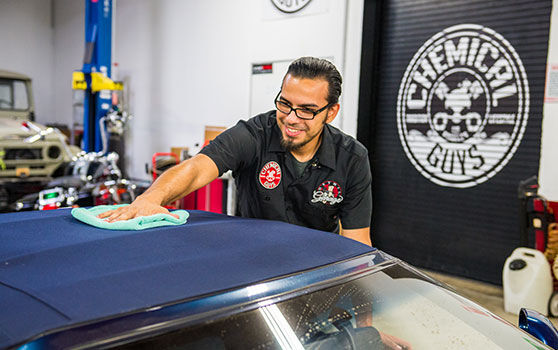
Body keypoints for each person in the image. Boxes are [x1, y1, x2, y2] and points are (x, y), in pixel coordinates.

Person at [99, 57, 372, 246]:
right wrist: (151, 198)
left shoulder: (352, 158)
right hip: (254, 261)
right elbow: (197, 168)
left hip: (314, 271)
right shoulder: (254, 135)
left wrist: (362, 323)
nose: (291, 118)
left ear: (331, 112)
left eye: (307, 110)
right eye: (285, 104)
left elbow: (356, 241)